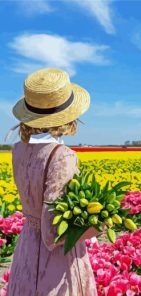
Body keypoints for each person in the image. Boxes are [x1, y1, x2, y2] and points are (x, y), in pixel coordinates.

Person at [6, 68, 100, 296]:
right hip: (56, 259)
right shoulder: (62, 155)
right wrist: (96, 224)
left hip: (27, 246)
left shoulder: (18, 150)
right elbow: (53, 231)